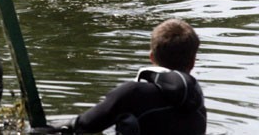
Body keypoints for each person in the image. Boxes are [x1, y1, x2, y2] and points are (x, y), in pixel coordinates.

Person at [58, 18, 206, 134]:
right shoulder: (196, 101)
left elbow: (84, 125)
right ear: (193, 62)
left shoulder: (133, 93)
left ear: (152, 57)